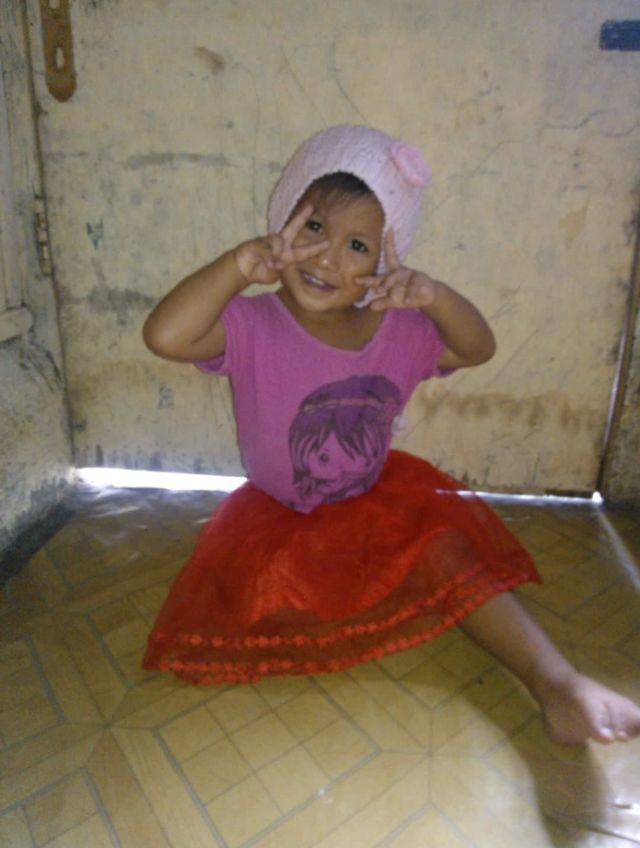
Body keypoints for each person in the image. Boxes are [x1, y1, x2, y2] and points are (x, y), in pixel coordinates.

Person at [142, 124, 640, 746]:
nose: (327, 258)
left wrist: (432, 296)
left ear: (383, 259)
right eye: (314, 227)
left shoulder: (399, 330)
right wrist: (240, 266)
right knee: (274, 597)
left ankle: (557, 683)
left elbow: (477, 347)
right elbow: (165, 336)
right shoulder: (251, 321)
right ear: (282, 221)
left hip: (378, 507)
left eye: (357, 245)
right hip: (277, 522)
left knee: (450, 555)